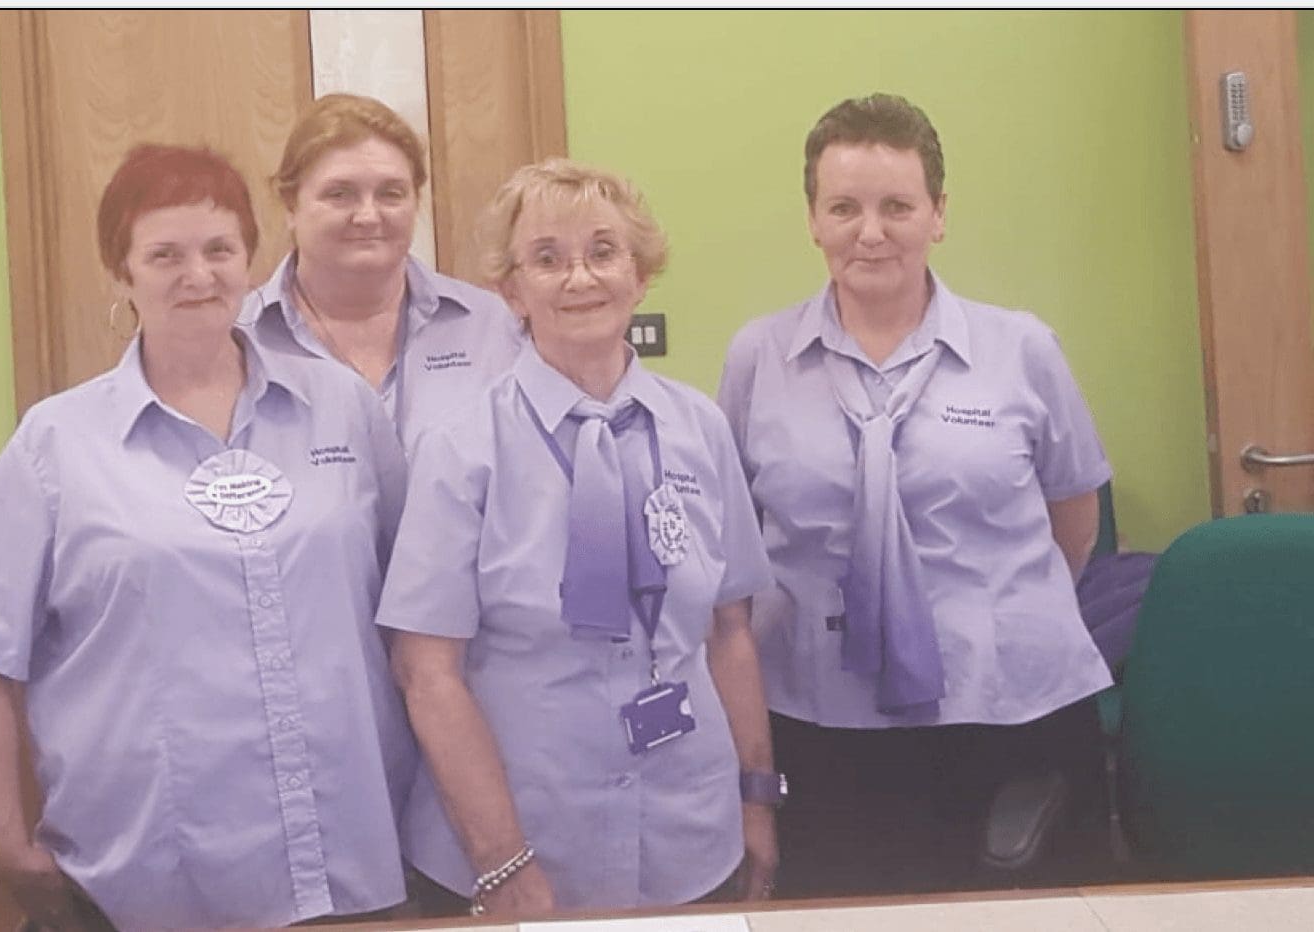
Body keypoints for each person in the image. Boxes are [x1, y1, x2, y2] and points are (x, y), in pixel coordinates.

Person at [0, 144, 413, 931]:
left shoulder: (341, 407)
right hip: (151, 874)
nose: (197, 275)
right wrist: (4, 838)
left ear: (250, 260)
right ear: (123, 272)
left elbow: (413, 610)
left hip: (349, 854)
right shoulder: (59, 442)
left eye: (219, 250)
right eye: (164, 255)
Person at [718, 93, 1114, 894]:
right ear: (813, 219)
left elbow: (1074, 518)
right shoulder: (759, 356)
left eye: (897, 206)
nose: (870, 232)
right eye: (844, 208)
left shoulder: (1021, 349)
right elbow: (738, 540)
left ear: (938, 214)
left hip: (1010, 709)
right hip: (820, 721)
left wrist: (983, 613)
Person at [377, 158, 781, 919]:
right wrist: (502, 861)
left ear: (640, 273)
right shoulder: (461, 448)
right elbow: (426, 673)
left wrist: (757, 797)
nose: (580, 278)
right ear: (511, 290)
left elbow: (730, 630)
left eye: (603, 251)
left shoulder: (698, 427)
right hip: (528, 845)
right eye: (547, 258)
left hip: (691, 838)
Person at [245, 92, 523, 450]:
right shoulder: (237, 339)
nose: (368, 216)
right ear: (290, 206)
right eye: (339, 194)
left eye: (391, 194)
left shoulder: (493, 328)